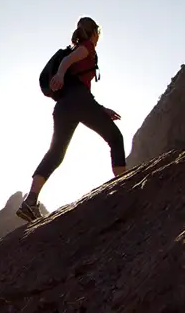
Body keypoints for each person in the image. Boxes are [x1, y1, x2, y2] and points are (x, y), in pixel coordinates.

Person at [16, 16, 127, 223]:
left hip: (65, 105)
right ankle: (124, 184)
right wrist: (59, 74)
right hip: (78, 100)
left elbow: (78, 87)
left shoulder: (79, 49)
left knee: (56, 153)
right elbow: (69, 63)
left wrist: (101, 109)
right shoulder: (87, 47)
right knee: (115, 138)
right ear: (94, 33)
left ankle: (30, 201)